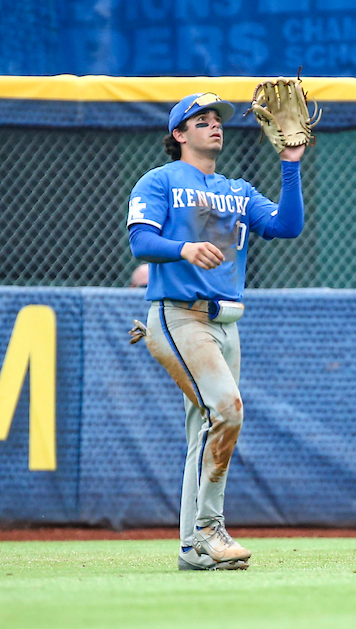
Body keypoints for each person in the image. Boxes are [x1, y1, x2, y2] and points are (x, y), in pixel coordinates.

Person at [126, 91, 305, 571]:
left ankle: (191, 549)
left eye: (217, 119)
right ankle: (209, 529)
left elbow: (287, 226)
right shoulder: (160, 180)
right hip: (178, 317)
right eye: (200, 119)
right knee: (226, 410)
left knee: (205, 429)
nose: (214, 125)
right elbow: (141, 241)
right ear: (179, 134)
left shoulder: (238, 190)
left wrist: (290, 162)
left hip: (227, 325)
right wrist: (184, 249)